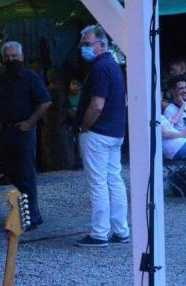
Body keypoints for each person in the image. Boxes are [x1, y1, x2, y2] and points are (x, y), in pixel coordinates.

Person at [73, 25, 129, 247]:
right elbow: (122, 101)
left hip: (97, 132)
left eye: (87, 44)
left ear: (101, 44)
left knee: (98, 183)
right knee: (114, 180)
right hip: (115, 131)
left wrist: (83, 127)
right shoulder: (114, 65)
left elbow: (96, 105)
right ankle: (121, 230)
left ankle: (98, 233)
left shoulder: (99, 68)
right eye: (82, 44)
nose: (83, 48)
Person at [0, 41, 52, 230]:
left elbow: (45, 102)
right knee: (13, 174)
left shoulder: (31, 78)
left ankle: (32, 215)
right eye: (8, 57)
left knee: (26, 173)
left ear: (22, 56)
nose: (11, 59)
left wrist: (30, 122)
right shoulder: (1, 80)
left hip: (23, 131)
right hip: (5, 131)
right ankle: (20, 211)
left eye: (14, 56)